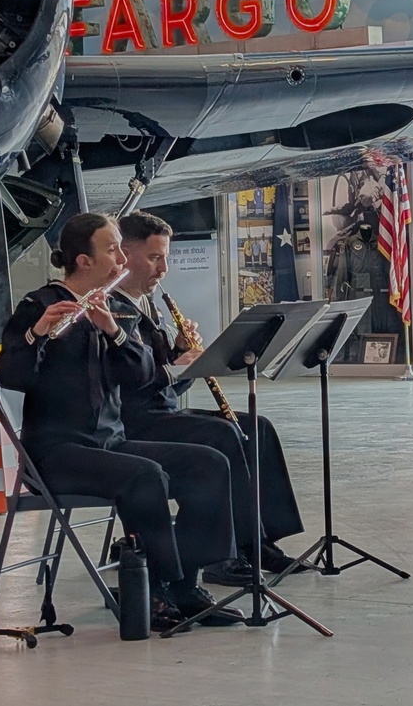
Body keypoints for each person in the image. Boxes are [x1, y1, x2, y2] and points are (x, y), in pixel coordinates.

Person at [0, 213, 243, 632]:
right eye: (112, 249)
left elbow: (143, 376)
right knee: (145, 477)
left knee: (209, 463)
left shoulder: (109, 309)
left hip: (109, 441)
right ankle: (157, 588)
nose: (121, 258)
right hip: (56, 452)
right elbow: (11, 374)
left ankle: (188, 581)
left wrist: (112, 331)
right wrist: (37, 333)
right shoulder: (37, 305)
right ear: (83, 260)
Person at [114, 211, 307, 583]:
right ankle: (220, 557)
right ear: (125, 253)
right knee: (223, 435)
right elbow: (129, 382)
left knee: (257, 428)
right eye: (155, 258)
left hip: (162, 413)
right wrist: (176, 366)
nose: (164, 268)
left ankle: (257, 540)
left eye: (166, 257)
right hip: (134, 421)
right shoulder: (115, 310)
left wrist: (182, 360)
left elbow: (167, 383)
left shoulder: (149, 305)